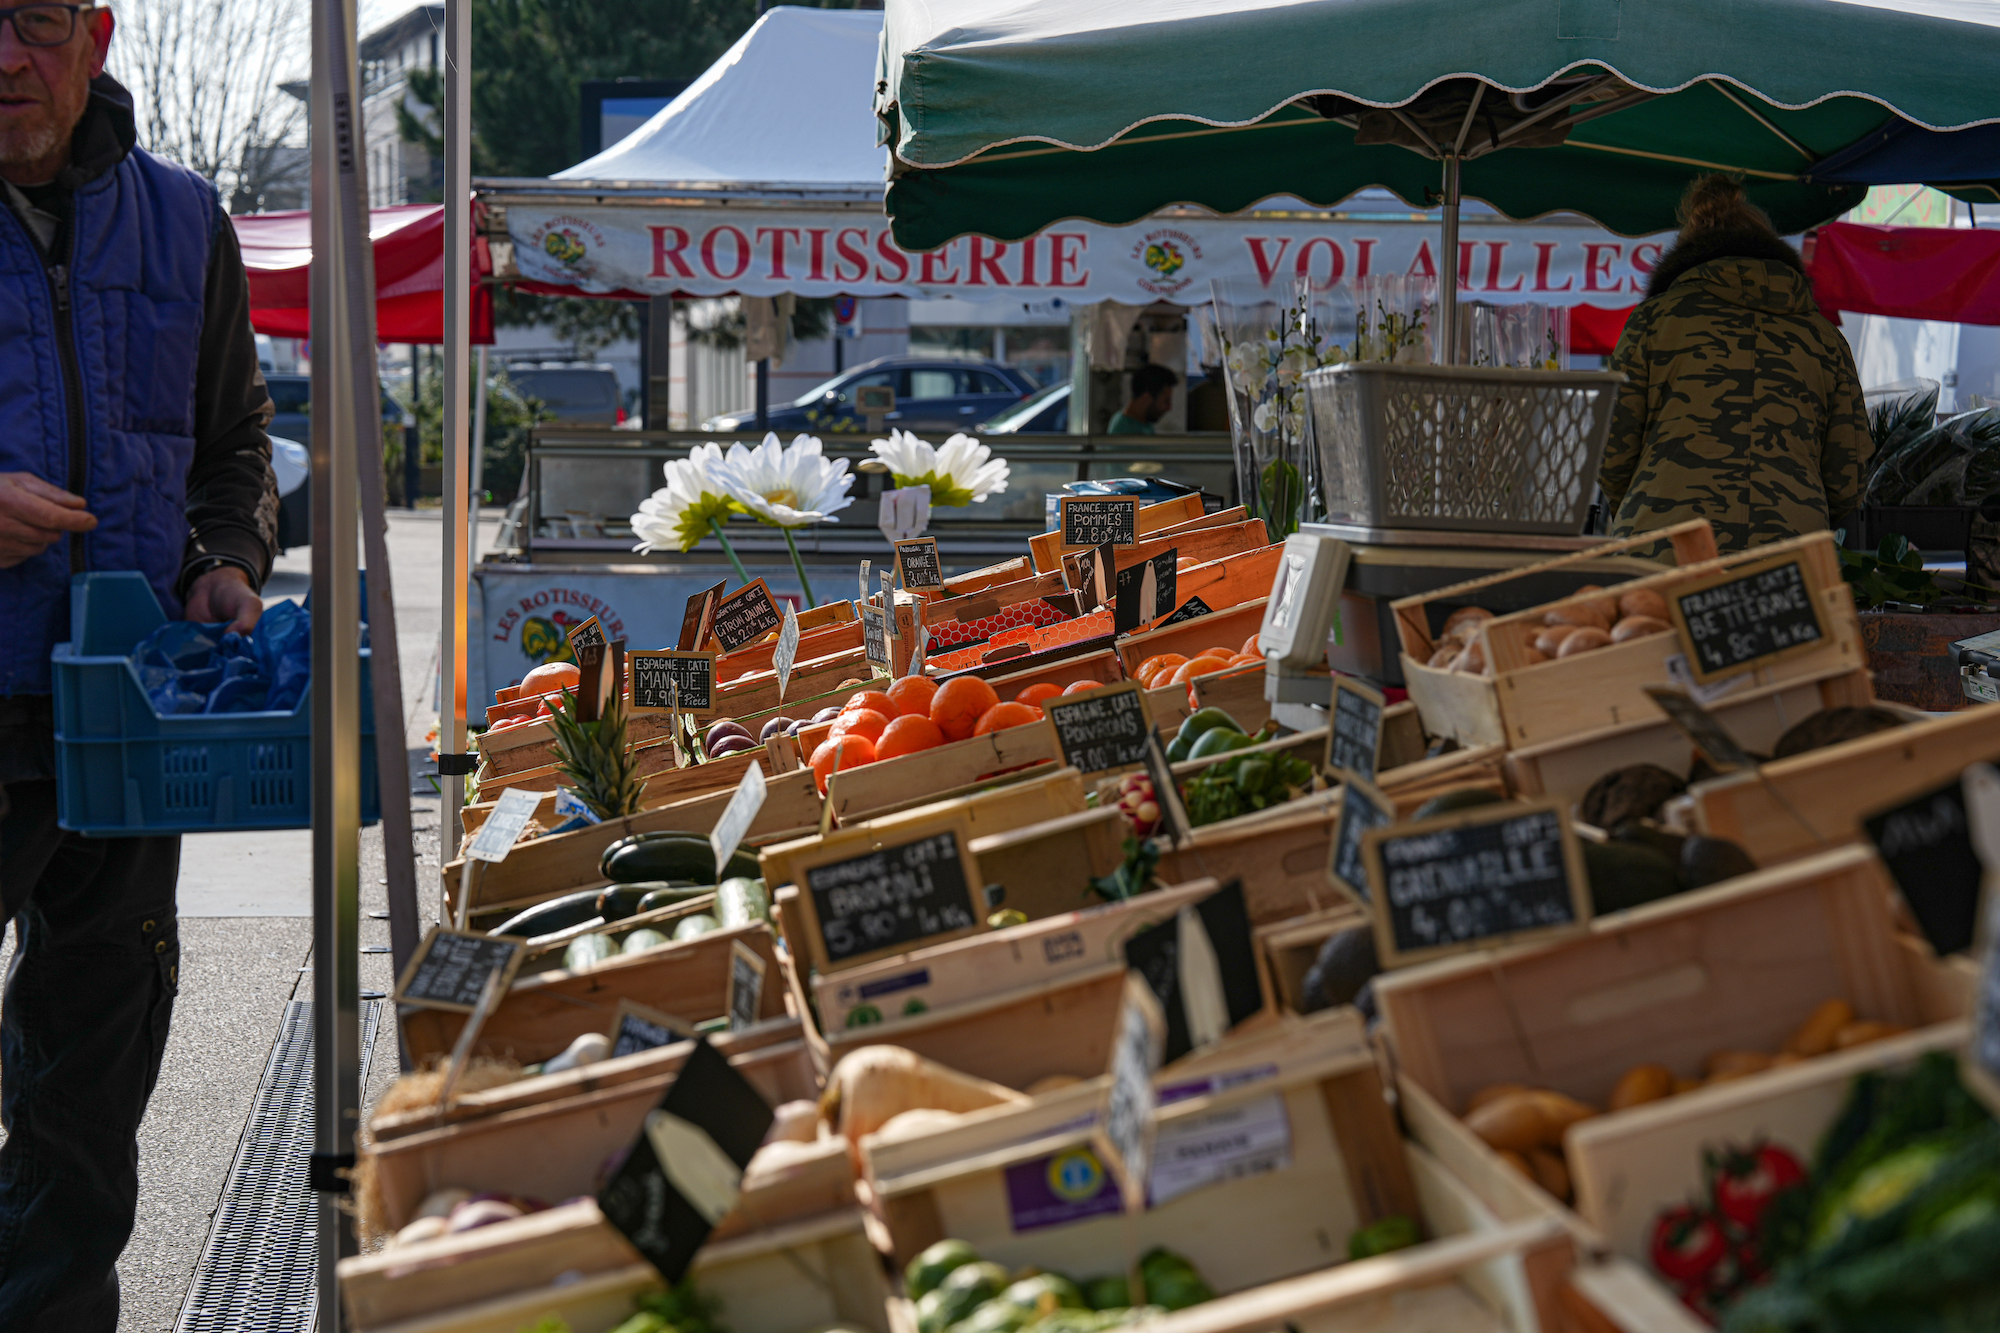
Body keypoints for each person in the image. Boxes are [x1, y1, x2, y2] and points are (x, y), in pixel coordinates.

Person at [0, 2, 276, 1326]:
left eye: (35, 18)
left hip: (130, 717)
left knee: (92, 1083)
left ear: (95, 36)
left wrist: (223, 555)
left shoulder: (186, 221)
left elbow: (232, 442)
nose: (5, 54)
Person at [1599, 174, 1871, 554]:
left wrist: (1647, 505)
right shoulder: (1824, 339)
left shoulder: (1653, 322)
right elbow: (1850, 473)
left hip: (1665, 549)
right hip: (1789, 557)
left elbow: (1609, 451)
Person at [1108, 362, 1179, 434]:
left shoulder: (1142, 422)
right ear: (1146, 398)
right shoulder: (1127, 433)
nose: (1169, 408)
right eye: (1166, 401)